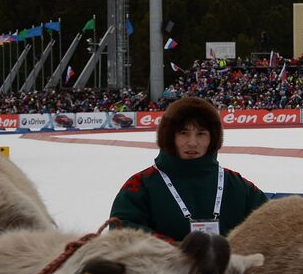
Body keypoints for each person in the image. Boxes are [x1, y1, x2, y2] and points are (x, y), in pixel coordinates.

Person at [110, 96, 268, 241]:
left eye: (201, 134)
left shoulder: (237, 185)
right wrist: (176, 251)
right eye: (184, 133)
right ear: (169, 136)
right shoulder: (140, 185)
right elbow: (121, 231)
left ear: (213, 138)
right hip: (163, 264)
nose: (192, 143)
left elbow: (270, 223)